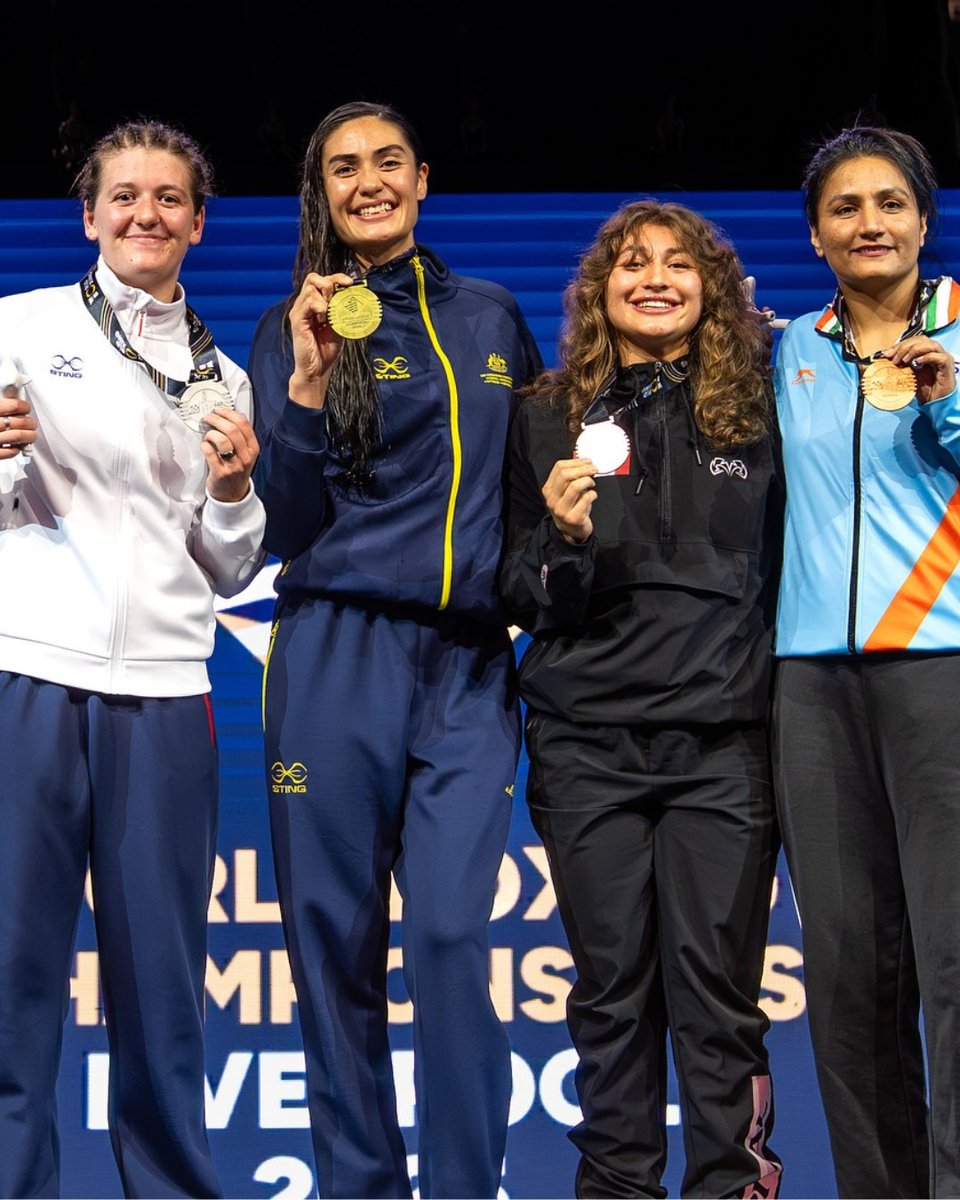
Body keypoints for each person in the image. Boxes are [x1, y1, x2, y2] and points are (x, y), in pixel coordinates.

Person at [248, 100, 542, 1199]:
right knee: (333, 957)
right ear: (320, 195)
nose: (366, 182)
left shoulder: (494, 316)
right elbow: (278, 522)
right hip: (331, 660)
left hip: (468, 672)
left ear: (422, 176)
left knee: (457, 943)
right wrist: (311, 383)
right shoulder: (294, 326)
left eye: (384, 162)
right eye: (340, 169)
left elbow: (527, 492)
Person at [0, 119, 265, 1198]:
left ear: (197, 224)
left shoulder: (226, 377)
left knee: (161, 986)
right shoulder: (18, 327)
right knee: (15, 975)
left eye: (169, 198)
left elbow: (232, 568)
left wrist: (240, 488)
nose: (145, 213)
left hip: (164, 694)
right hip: (33, 676)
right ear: (90, 215)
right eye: (125, 195)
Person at [499, 198, 784, 1199]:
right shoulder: (541, 412)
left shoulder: (761, 406)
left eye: (678, 263)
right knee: (612, 997)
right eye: (631, 264)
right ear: (598, 289)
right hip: (588, 747)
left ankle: (730, 1187)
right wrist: (561, 542)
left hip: (723, 746)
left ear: (712, 287)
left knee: (718, 1002)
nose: (654, 278)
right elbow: (513, 589)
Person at [772, 125, 960, 1198]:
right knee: (847, 970)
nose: (870, 223)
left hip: (941, 665)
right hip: (812, 684)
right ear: (816, 235)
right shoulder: (789, 348)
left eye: (890, 203)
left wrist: (949, 396)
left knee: (951, 960)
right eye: (846, 208)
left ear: (924, 223)